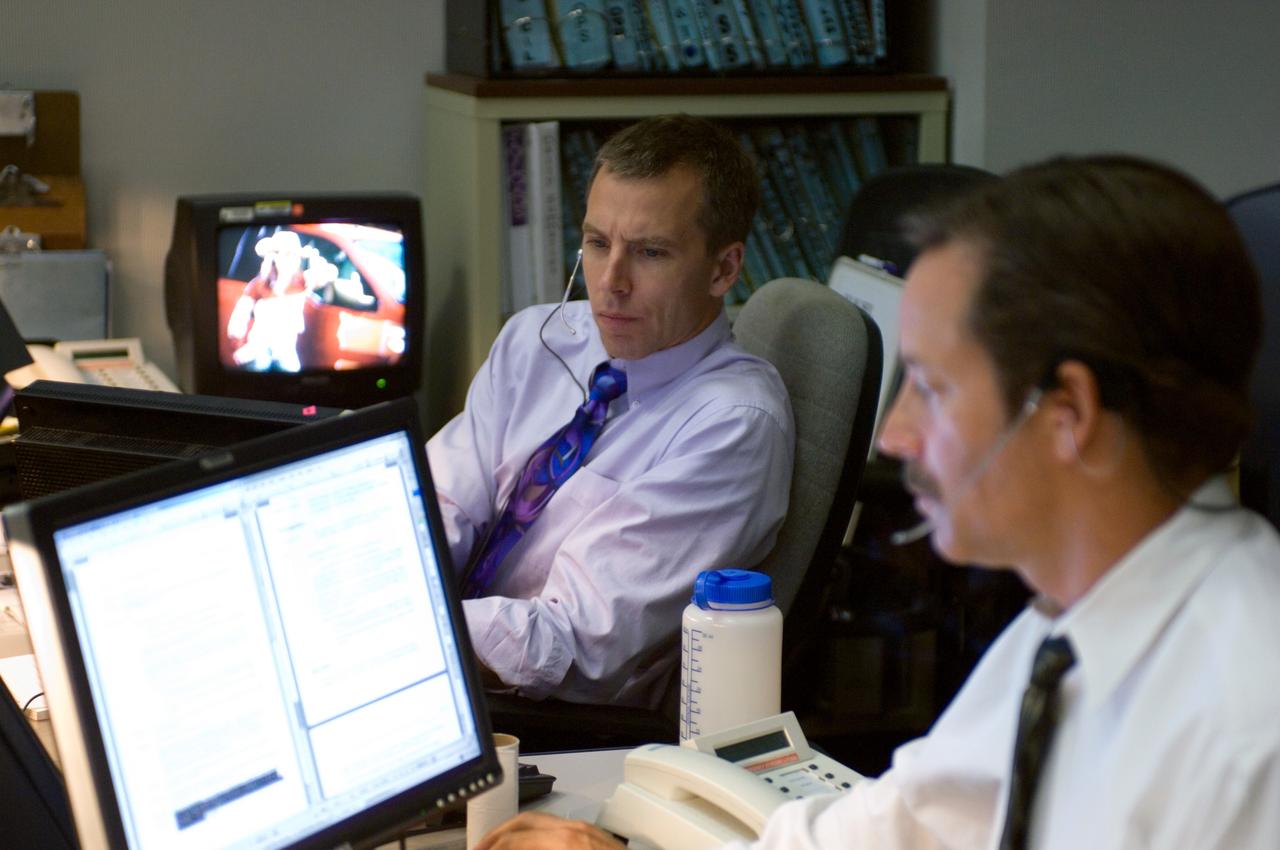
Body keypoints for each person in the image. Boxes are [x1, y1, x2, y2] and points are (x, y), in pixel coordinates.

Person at [473, 154, 1280, 849]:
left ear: (1067, 414)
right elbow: (889, 828)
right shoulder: (1062, 633)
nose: (895, 435)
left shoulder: (1245, 720)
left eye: (931, 387)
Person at [427, 115, 794, 707]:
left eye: (650, 252)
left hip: (544, 718)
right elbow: (441, 506)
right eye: (598, 244)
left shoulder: (733, 424)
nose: (610, 284)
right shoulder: (537, 338)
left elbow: (562, 646)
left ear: (724, 269)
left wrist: (408, 628)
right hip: (442, 660)